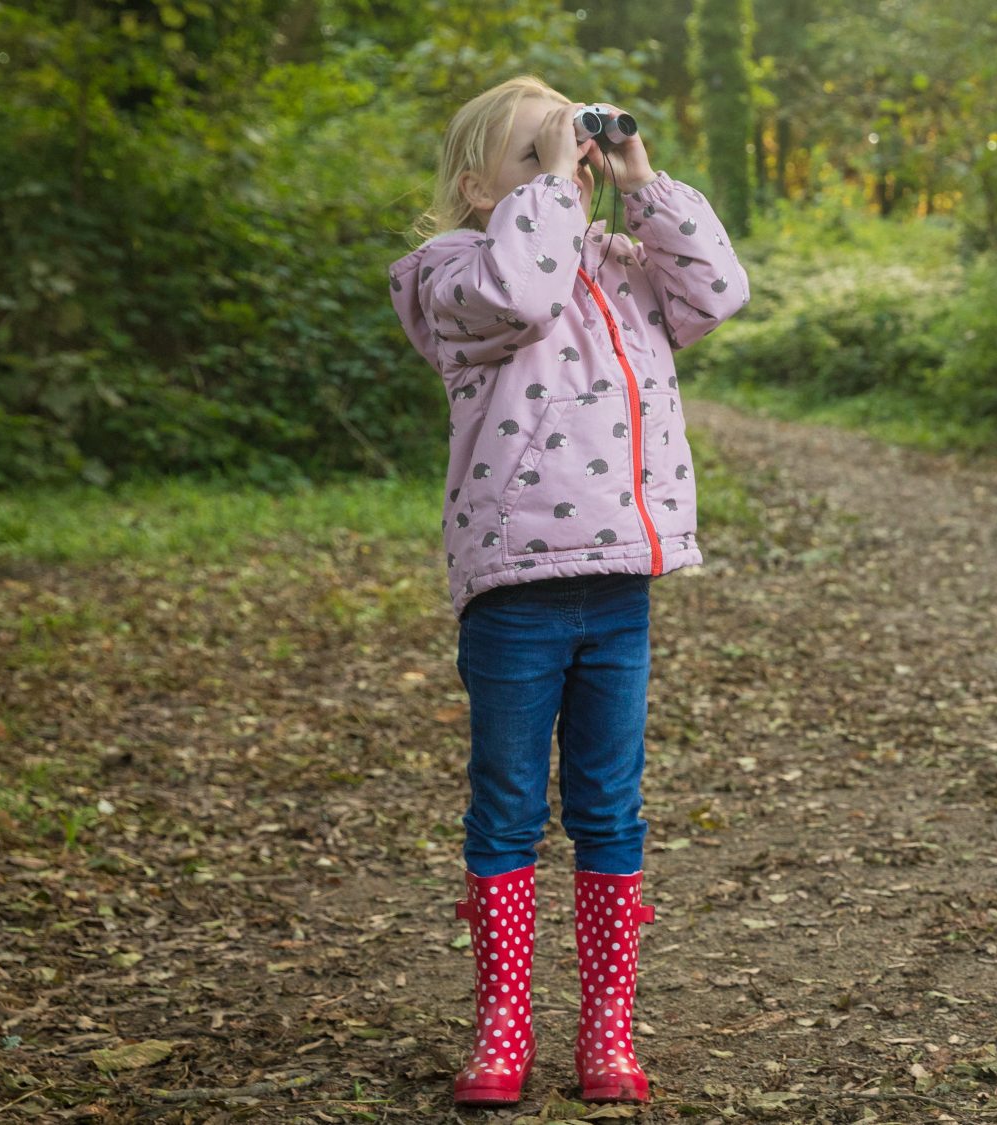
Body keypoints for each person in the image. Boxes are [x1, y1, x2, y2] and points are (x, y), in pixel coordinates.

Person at [385, 74, 749, 1107]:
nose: (565, 168)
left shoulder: (620, 263)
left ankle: (606, 1031)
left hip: (617, 581)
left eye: (573, 152)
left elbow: (718, 294)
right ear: (471, 184)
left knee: (608, 807)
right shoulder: (447, 274)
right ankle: (502, 1029)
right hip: (512, 585)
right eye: (534, 153)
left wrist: (642, 182)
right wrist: (551, 185)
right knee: (505, 808)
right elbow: (520, 291)